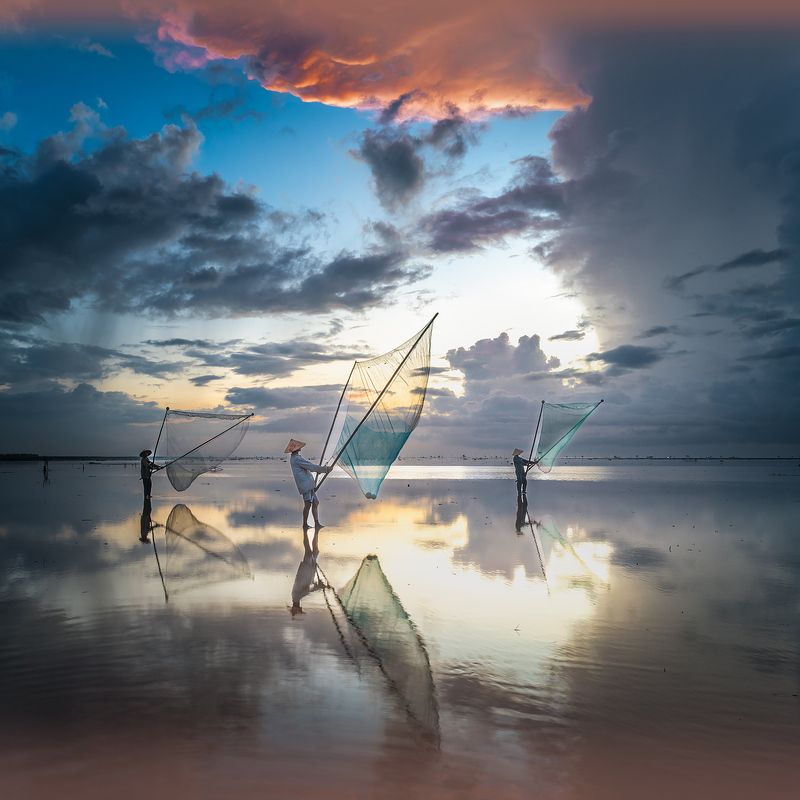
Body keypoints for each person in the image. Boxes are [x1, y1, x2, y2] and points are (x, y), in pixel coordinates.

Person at [286, 439, 332, 528]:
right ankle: (305, 524)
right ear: (297, 449)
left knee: (315, 503)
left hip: (307, 484)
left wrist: (319, 470)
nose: (300, 449)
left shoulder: (295, 458)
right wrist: (324, 469)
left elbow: (309, 467)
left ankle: (316, 523)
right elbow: (310, 466)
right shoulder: (297, 459)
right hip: (305, 484)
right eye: (298, 447)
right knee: (308, 504)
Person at [289, 526, 324, 617]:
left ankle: (305, 532)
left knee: (309, 551)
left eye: (299, 609)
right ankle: (315, 533)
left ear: (296, 606)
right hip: (308, 571)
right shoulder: (295, 597)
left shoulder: (296, 597)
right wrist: (318, 585)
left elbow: (308, 590)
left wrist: (319, 586)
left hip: (306, 570)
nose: (300, 607)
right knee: (315, 551)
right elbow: (308, 589)